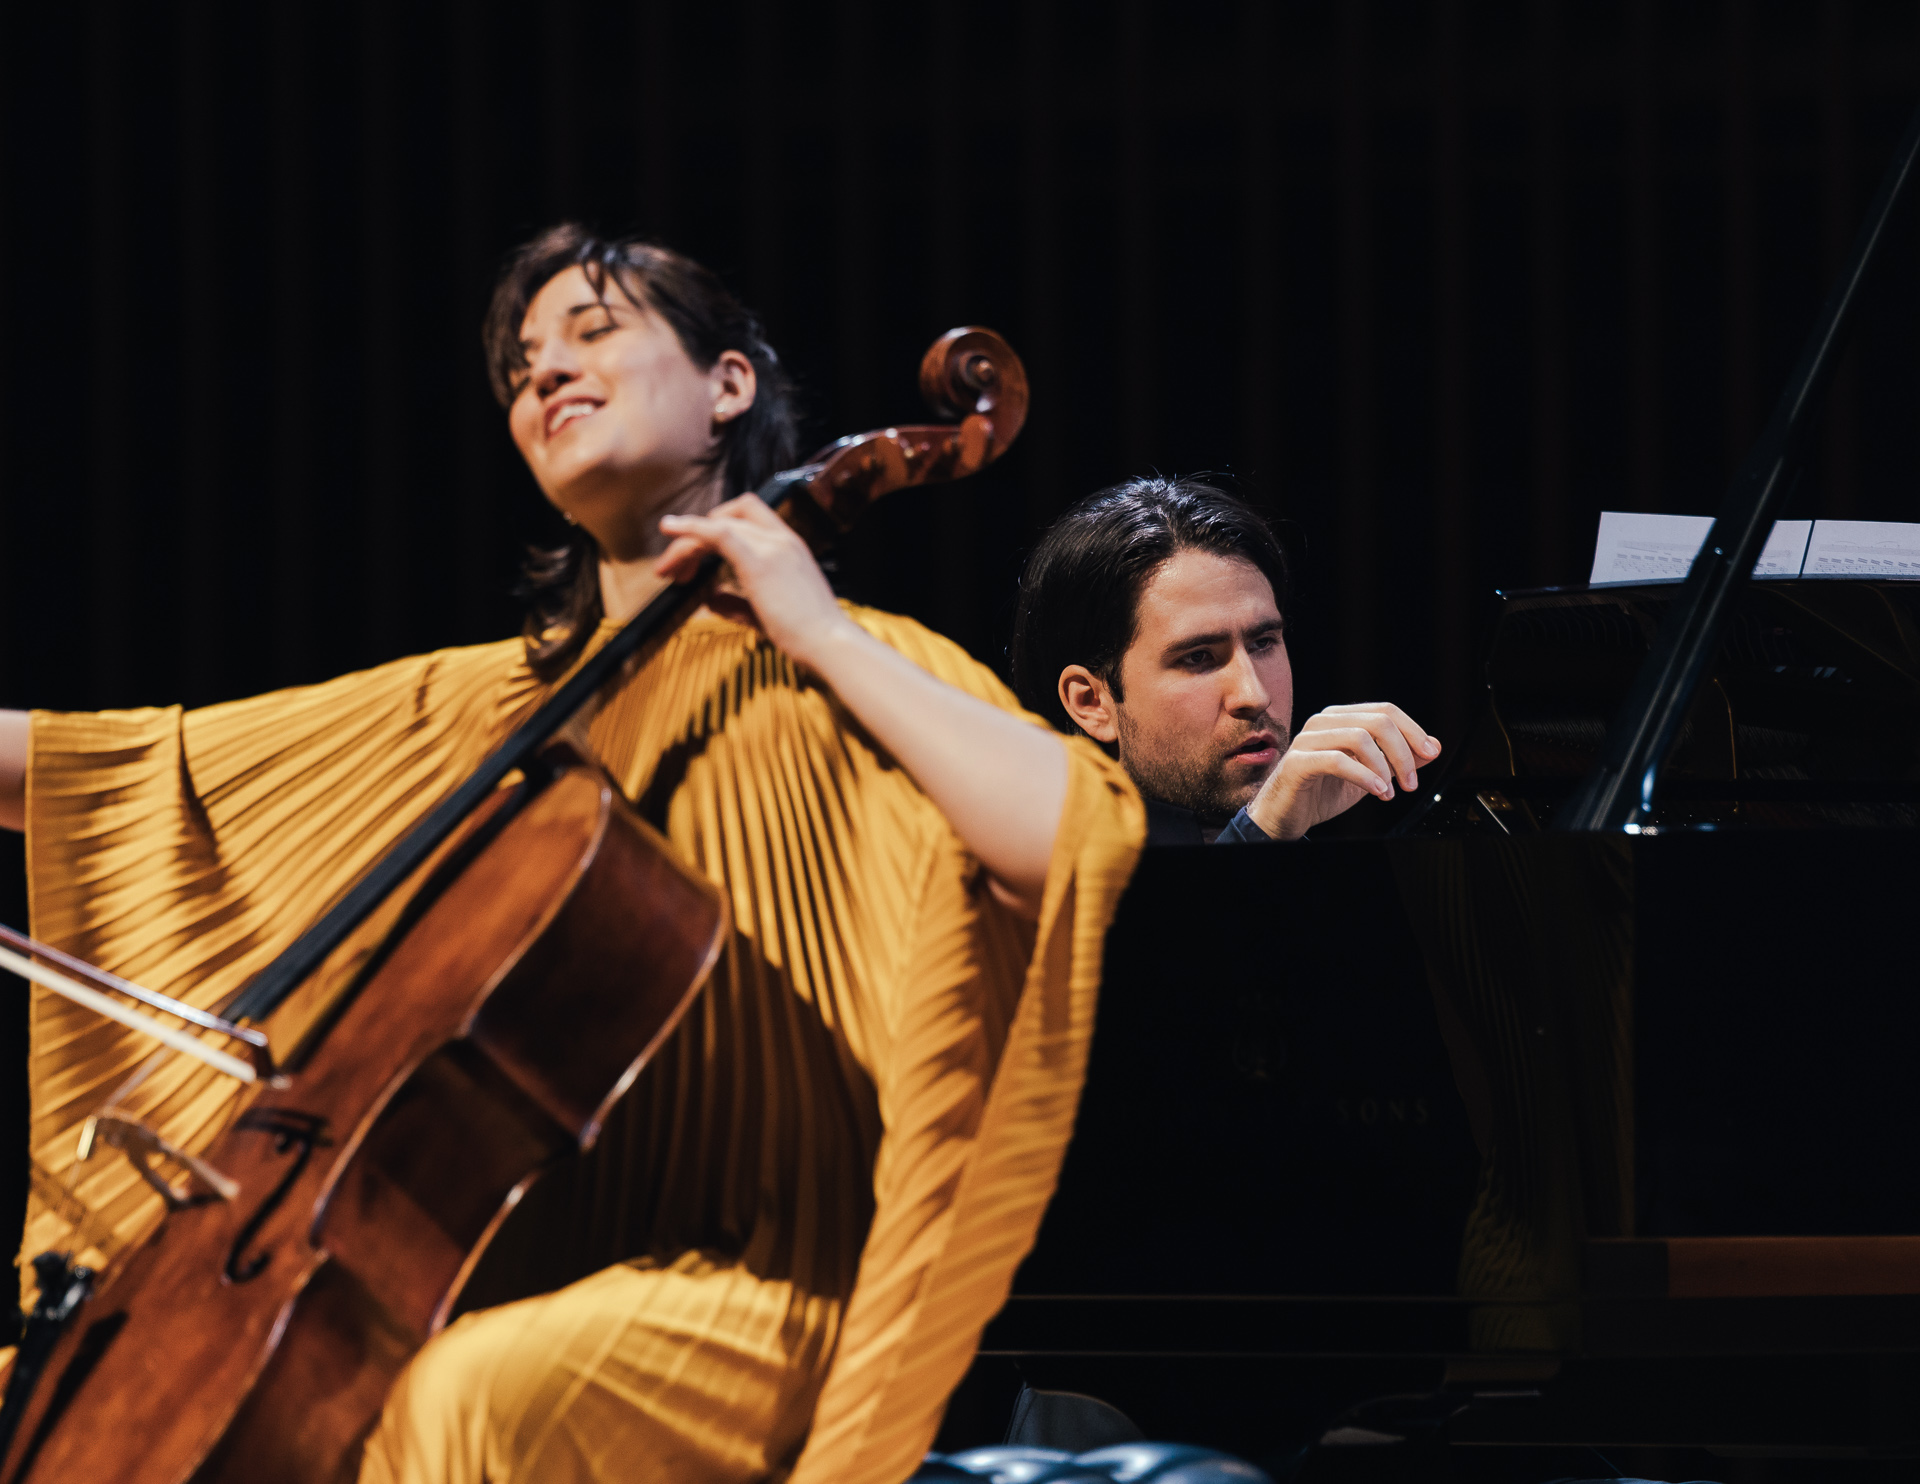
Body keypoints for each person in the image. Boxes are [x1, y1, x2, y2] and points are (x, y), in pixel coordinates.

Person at [0, 228, 1143, 1483]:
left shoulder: (858, 665)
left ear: (728, 384)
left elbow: (1064, 838)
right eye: (522, 367)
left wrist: (814, 628)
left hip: (761, 1290)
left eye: (593, 333)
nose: (544, 372)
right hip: (485, 1280)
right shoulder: (481, 714)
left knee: (466, 1400)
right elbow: (110, 772)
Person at [1008, 476, 1439, 846]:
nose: (1254, 695)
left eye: (1263, 643)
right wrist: (1261, 834)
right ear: (1092, 702)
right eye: (1198, 657)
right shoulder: (1032, 879)